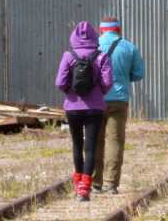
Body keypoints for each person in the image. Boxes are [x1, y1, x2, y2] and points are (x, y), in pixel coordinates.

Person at [55, 21, 113, 201]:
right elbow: (108, 82)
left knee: (77, 144)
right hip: (95, 108)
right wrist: (98, 93)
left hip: (72, 108)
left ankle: (77, 182)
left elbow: (60, 82)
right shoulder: (101, 56)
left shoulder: (68, 55)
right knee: (91, 147)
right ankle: (85, 189)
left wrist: (70, 94)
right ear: (95, 36)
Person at [92, 16, 146, 195]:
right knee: (115, 141)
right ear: (118, 30)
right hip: (119, 99)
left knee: (95, 141)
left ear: (101, 30)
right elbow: (139, 74)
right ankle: (111, 184)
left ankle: (94, 183)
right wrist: (122, 77)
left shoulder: (93, 46)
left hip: (96, 99)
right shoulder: (129, 47)